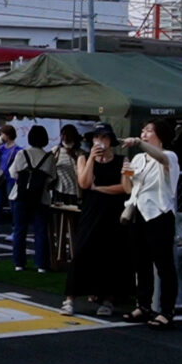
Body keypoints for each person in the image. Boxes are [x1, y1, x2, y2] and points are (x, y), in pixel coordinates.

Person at [59, 123, 131, 316]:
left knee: (111, 255)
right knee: (81, 251)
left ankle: (107, 299)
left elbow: (126, 187)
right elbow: (84, 182)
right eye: (97, 137)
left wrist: (100, 188)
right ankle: (69, 299)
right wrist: (92, 157)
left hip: (113, 212)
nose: (100, 141)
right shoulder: (84, 158)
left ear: (111, 141)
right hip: (91, 211)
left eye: (105, 137)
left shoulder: (122, 160)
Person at [121, 118, 180, 330]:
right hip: (138, 213)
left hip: (160, 214)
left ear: (160, 135)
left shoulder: (169, 156)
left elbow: (160, 157)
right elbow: (128, 189)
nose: (144, 134)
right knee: (140, 262)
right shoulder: (137, 158)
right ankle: (143, 305)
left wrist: (138, 141)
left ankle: (166, 310)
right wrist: (126, 173)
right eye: (143, 130)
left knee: (164, 265)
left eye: (149, 131)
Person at [9, 125, 57, 272]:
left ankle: (19, 263)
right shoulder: (49, 157)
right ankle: (41, 264)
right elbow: (52, 179)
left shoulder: (22, 154)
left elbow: (13, 174)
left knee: (19, 230)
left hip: (20, 195)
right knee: (41, 231)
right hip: (41, 197)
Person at [0, 124, 21, 241]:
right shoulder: (1, 148)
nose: (1, 136)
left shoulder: (17, 150)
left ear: (8, 135)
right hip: (0, 178)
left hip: (11, 178)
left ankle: (15, 229)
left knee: (12, 205)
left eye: (3, 134)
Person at [52, 125, 84, 206]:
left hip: (74, 192)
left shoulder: (81, 153)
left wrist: (74, 157)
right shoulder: (56, 150)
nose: (65, 137)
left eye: (68, 135)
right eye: (63, 134)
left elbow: (83, 171)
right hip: (59, 190)